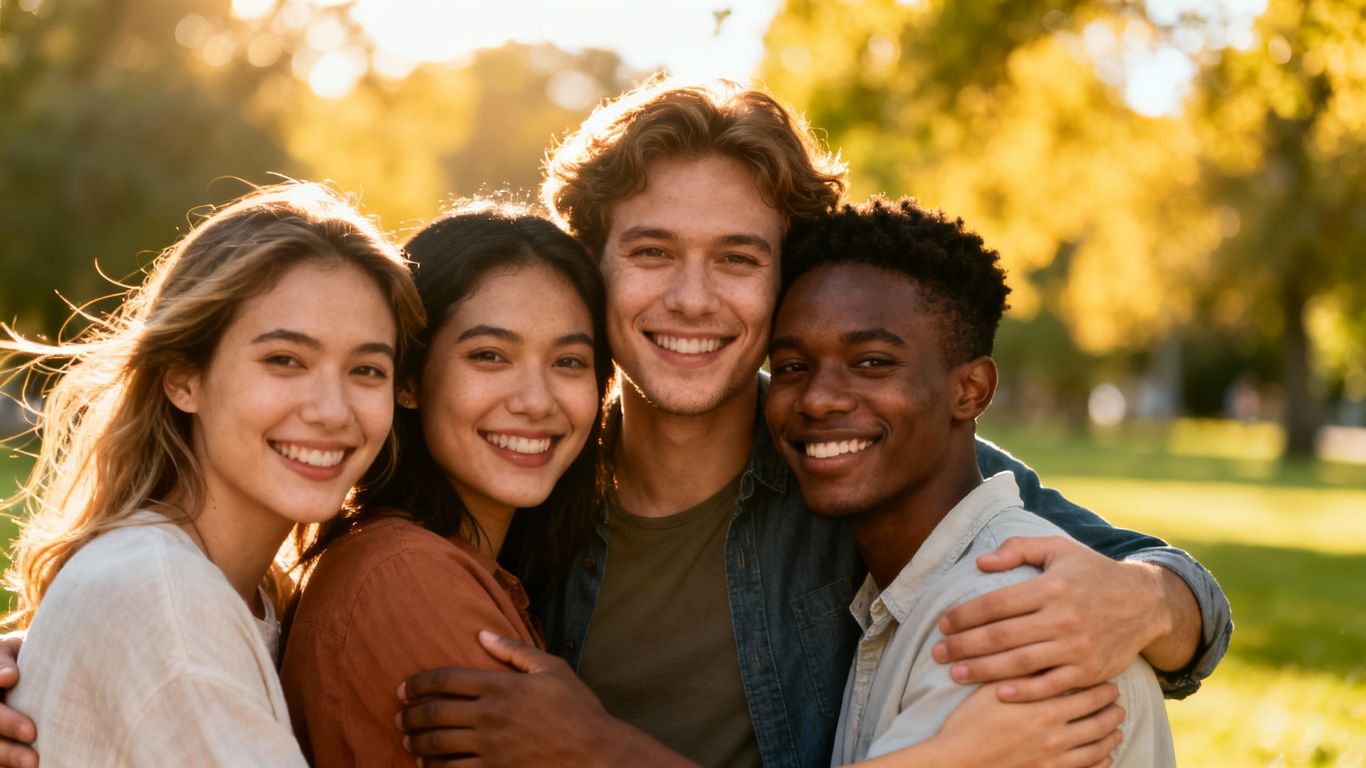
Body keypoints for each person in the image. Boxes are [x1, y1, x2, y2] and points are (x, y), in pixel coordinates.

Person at [394, 78, 1231, 767]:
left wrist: (1150, 601)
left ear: (783, 279)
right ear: (592, 268)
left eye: (737, 258)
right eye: (652, 253)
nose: (692, 298)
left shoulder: (850, 461)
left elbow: (1164, 589)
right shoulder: (527, 468)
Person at [0, 183, 424, 766]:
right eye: (285, 360)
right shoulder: (163, 597)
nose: (332, 409)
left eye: (367, 369)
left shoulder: (244, 597)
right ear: (183, 378)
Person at [766, 196, 1176, 766]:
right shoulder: (906, 590)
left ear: (972, 390)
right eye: (791, 368)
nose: (817, 398)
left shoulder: (1007, 625)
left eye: (873, 362)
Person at [277, 202, 612, 765]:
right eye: (489, 355)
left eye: (570, 362)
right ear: (408, 380)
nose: (535, 400)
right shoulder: (406, 578)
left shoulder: (473, 567)